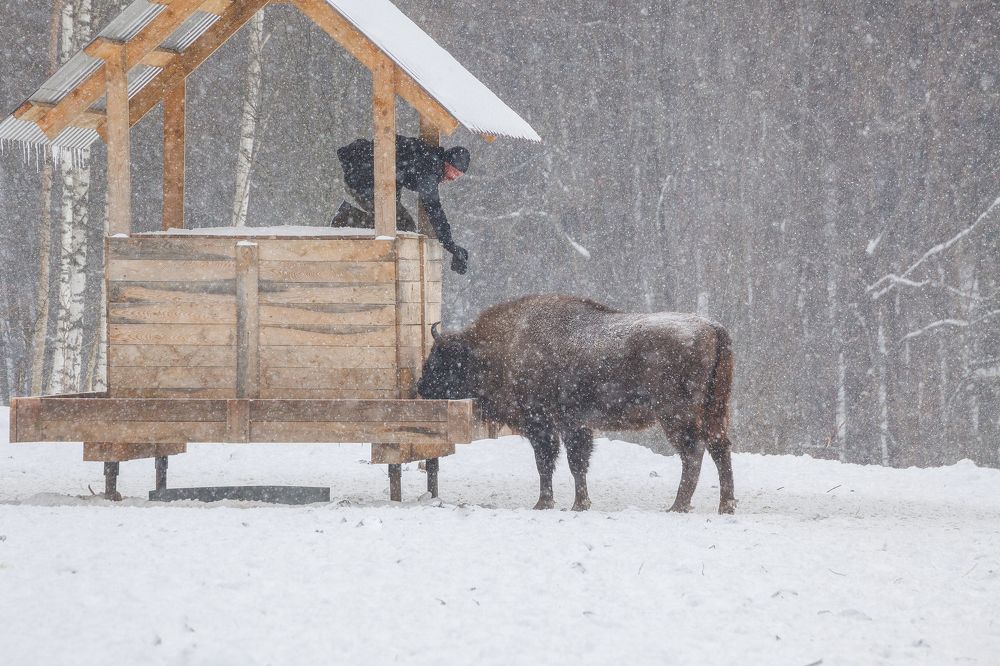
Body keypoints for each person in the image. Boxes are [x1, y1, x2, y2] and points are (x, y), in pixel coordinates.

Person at [333, 134, 471, 274]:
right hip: (363, 175)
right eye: (454, 172)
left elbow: (399, 159)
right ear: (447, 163)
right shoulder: (431, 168)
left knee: (400, 224)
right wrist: (450, 245)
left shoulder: (430, 159)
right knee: (404, 226)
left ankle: (346, 217)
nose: (453, 178)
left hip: (370, 172)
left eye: (458, 176)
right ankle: (345, 217)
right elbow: (434, 209)